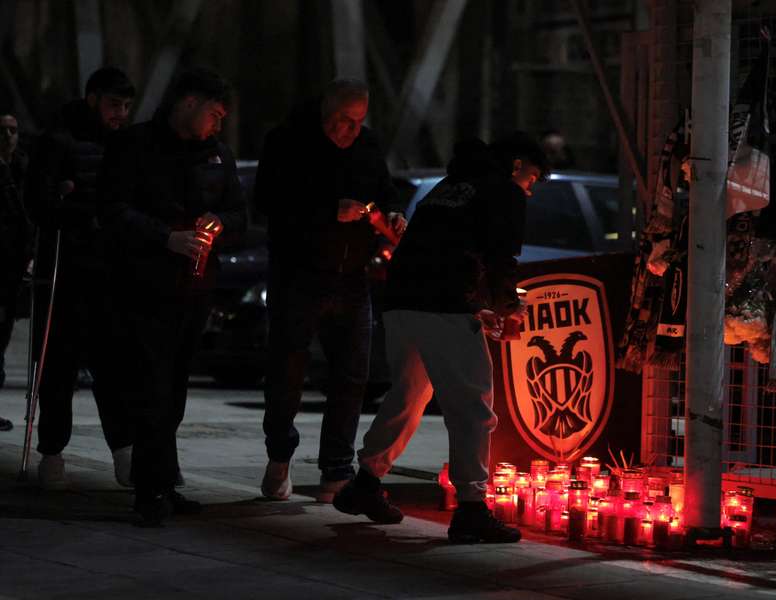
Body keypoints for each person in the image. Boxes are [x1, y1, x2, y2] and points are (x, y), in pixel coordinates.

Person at [333, 133, 549, 543]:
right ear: (518, 165)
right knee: (473, 407)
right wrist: (507, 306)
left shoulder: (449, 187)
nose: (531, 189)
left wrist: (474, 306)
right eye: (533, 179)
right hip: (442, 306)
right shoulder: (504, 191)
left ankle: (364, 482)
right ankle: (471, 508)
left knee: (408, 395)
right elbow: (502, 257)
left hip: (401, 302)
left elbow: (442, 249)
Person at [98, 67, 246, 525]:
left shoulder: (216, 155)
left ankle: (164, 480)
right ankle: (149, 488)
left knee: (175, 388)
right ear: (188, 103)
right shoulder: (136, 146)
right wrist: (166, 238)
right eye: (214, 114)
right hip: (144, 285)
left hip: (194, 288)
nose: (218, 125)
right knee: (150, 387)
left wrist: (217, 225)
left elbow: (239, 214)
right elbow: (113, 208)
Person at [254, 79, 404, 503]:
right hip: (298, 274)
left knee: (352, 375)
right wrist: (326, 211)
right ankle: (279, 454)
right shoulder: (287, 141)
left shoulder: (367, 146)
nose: (350, 131)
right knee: (287, 372)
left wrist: (392, 215)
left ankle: (336, 467)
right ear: (325, 110)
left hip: (352, 274)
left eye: (358, 122)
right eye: (343, 121)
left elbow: (386, 191)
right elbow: (268, 201)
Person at [23, 68, 136, 488]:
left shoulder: (123, 146)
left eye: (125, 106)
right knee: (57, 368)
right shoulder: (58, 140)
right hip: (68, 270)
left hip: (110, 272)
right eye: (113, 105)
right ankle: (52, 452)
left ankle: (125, 453)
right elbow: (37, 201)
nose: (120, 114)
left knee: (113, 369)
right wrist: (69, 207)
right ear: (93, 99)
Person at [0, 112, 30, 432]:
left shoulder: (21, 168)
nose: (9, 136)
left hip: (13, 265)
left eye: (13, 130)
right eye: (3, 130)